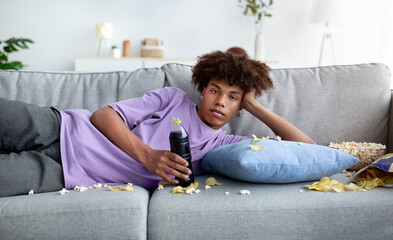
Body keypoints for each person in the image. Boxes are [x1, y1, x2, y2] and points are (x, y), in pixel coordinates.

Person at [0, 51, 315, 197]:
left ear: (238, 109)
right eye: (216, 90)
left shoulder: (223, 147)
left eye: (233, 98)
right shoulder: (173, 98)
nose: (220, 101)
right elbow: (102, 116)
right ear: (203, 89)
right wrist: (147, 155)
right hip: (60, 126)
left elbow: (307, 151)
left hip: (66, 173)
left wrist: (254, 105)